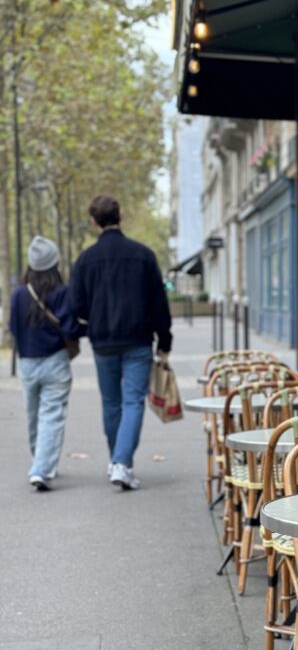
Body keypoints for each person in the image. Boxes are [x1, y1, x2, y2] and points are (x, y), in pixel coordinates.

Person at [70, 195, 172, 491]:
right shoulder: (143, 255)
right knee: (132, 402)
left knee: (112, 403)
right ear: (121, 216)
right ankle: (122, 463)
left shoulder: (85, 260)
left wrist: (96, 319)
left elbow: (77, 305)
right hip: (138, 340)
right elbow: (159, 304)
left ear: (93, 222)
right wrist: (164, 340)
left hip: (102, 342)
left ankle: (118, 461)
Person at [9, 236, 80, 491]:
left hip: (28, 362)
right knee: (51, 415)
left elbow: (13, 328)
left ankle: (40, 462)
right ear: (55, 263)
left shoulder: (18, 294)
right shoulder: (61, 292)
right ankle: (42, 466)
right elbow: (71, 326)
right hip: (55, 360)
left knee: (33, 415)